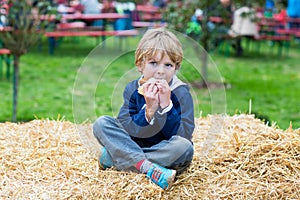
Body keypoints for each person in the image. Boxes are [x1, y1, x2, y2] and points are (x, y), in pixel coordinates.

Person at [93, 27, 195, 190]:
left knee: (184, 147)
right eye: (153, 63)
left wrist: (165, 107)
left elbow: (184, 134)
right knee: (101, 123)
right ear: (140, 65)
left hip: (163, 149)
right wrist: (148, 111)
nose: (161, 71)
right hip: (134, 143)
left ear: (176, 68)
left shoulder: (181, 93)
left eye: (168, 65)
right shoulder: (132, 89)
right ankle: (148, 168)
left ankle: (119, 160)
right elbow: (126, 127)